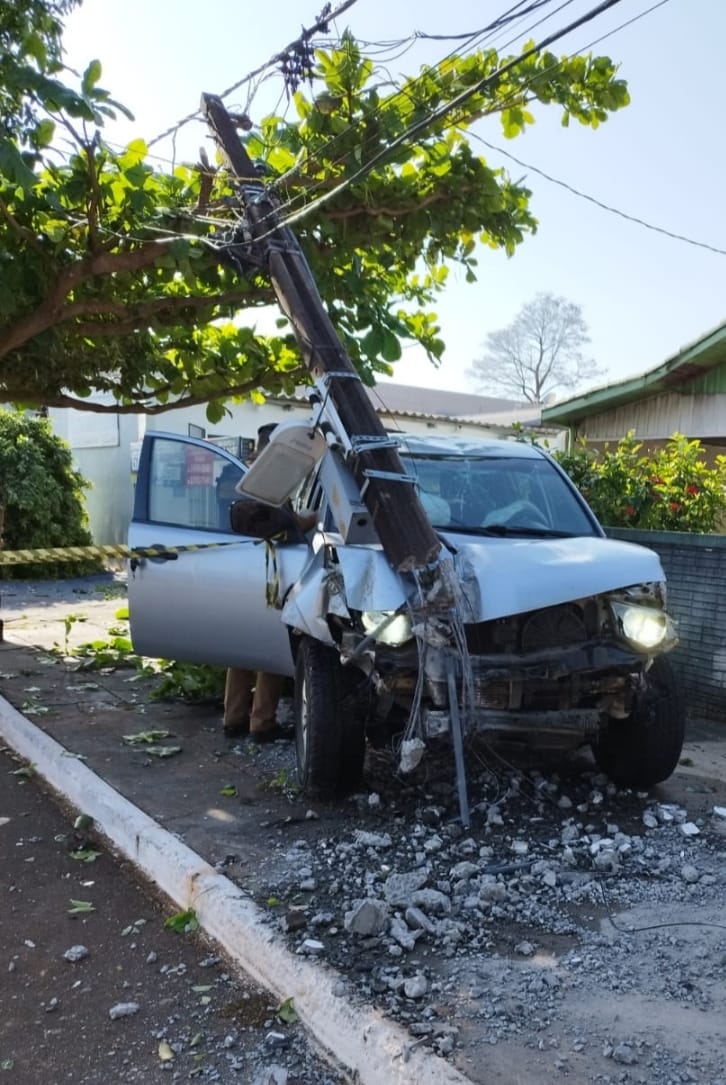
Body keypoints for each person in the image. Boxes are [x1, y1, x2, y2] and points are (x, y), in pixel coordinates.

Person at [223, 422, 293, 743]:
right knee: (272, 649)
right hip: (265, 576)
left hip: (239, 572)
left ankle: (234, 718)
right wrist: (311, 520)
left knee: (240, 647)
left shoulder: (236, 477)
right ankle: (261, 723)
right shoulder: (268, 483)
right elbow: (283, 525)